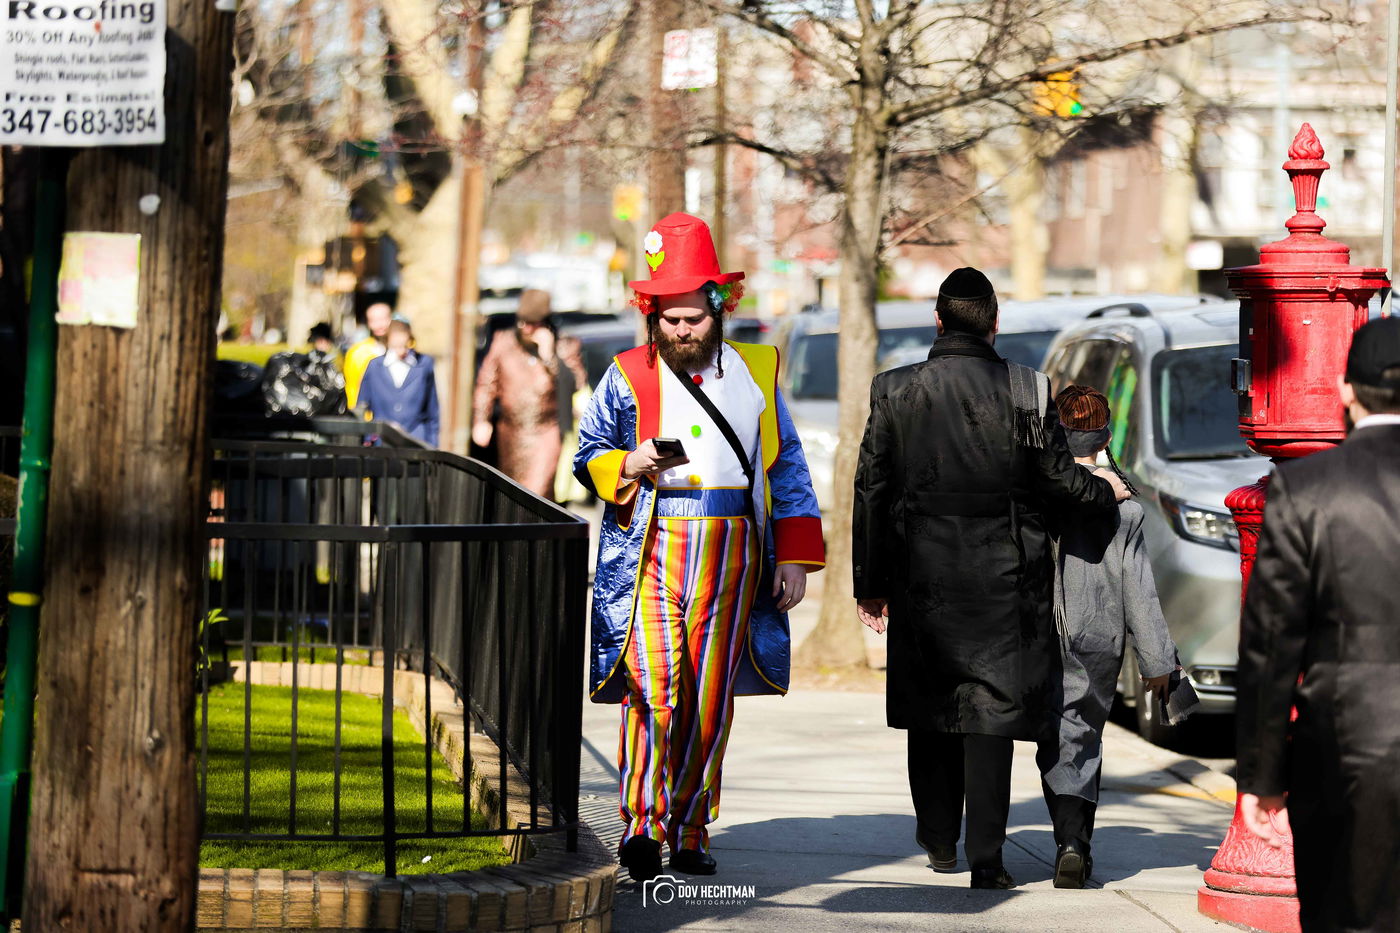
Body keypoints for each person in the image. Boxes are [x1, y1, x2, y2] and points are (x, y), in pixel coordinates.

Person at [851, 266, 1128, 890]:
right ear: (995, 323)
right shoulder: (1028, 389)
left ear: (938, 320)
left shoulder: (894, 389)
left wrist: (870, 580)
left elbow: (872, 488)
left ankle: (938, 838)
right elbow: (1058, 481)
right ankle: (987, 859)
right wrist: (1106, 491)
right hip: (1006, 580)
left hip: (922, 577)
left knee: (931, 708)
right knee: (991, 719)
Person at [573, 212, 824, 882]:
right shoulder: (626, 373)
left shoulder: (759, 369)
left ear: (719, 308)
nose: (681, 329)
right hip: (652, 543)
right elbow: (586, 453)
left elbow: (787, 466)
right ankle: (643, 823)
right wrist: (628, 463)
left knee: (710, 694)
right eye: (670, 318)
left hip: (734, 547)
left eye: (693, 317)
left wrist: (794, 555)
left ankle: (691, 825)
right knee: (653, 688)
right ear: (652, 314)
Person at [1236, 317, 1400, 933]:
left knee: (1343, 914)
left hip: (1343, 745)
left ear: (1346, 389)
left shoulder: (1306, 488)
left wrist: (1261, 774)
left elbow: (1271, 643)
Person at [1034, 385, 1178, 889]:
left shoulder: (1039, 492)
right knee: (1083, 733)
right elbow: (1139, 589)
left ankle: (1062, 839)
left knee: (1053, 732)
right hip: (1099, 630)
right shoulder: (1126, 509)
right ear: (1106, 436)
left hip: (1040, 627)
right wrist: (1159, 661)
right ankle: (1075, 843)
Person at [472, 288, 588, 499]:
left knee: (537, 493)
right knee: (511, 494)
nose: (525, 328)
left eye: (532, 323)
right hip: (511, 432)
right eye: (522, 322)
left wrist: (550, 357)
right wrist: (481, 419)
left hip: (546, 433)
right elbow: (486, 383)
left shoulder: (564, 346)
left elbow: (576, 383)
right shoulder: (504, 342)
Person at [357, 316, 440, 447]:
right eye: (396, 342)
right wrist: (367, 439)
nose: (401, 348)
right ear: (388, 339)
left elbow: (433, 410)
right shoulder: (375, 366)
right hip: (382, 441)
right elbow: (361, 406)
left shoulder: (424, 364)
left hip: (415, 442)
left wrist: (432, 445)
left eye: (404, 342)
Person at [343, 301, 392, 408]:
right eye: (373, 320)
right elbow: (352, 387)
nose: (379, 325)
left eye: (383, 319)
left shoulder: (404, 349)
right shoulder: (357, 352)